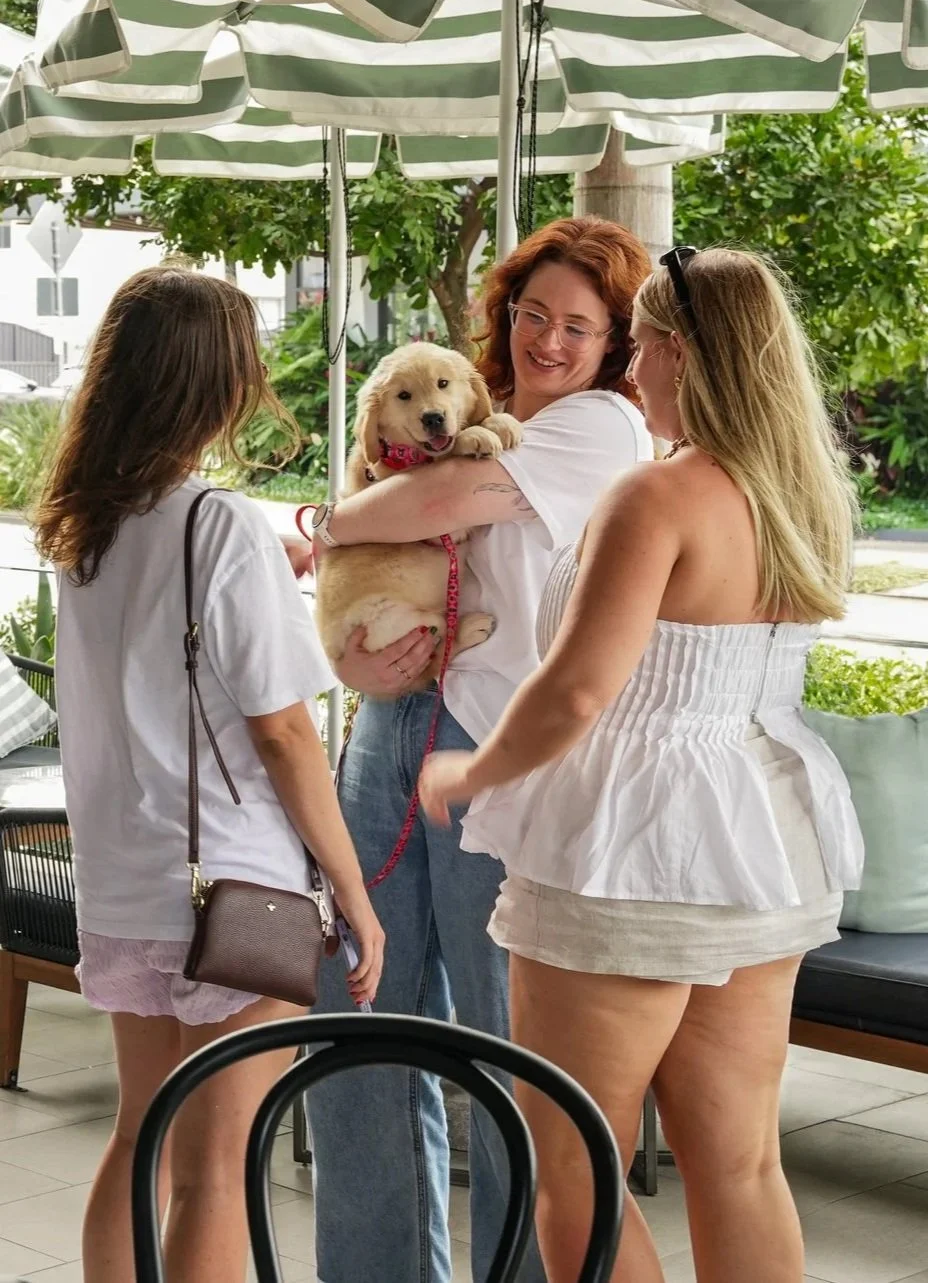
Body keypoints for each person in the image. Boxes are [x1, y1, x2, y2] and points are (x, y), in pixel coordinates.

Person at [421, 246, 865, 1283]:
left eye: (639, 349)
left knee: (572, 1162)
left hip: (631, 842)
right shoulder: (802, 498)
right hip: (764, 828)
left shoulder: (655, 497)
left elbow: (579, 690)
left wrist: (471, 771)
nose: (630, 372)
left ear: (674, 351)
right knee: (742, 1160)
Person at [296, 217, 653, 1283]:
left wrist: (328, 522)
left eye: (579, 325)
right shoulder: (469, 408)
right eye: (532, 314)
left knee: (509, 1047)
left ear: (616, 343)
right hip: (393, 730)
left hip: (497, 751)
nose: (548, 339)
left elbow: (435, 501)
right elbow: (388, 516)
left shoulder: (601, 427)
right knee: (357, 1010)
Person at [34, 266, 383, 1283]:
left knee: (142, 1137)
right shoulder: (218, 524)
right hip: (236, 888)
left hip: (126, 880)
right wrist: (355, 894)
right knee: (218, 1167)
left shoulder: (83, 526)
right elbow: (285, 731)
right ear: (217, 385)